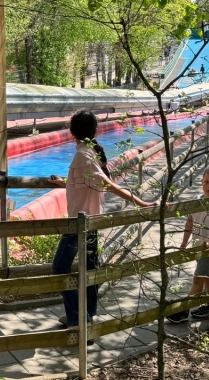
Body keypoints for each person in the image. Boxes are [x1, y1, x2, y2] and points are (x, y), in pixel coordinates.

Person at [49, 110, 157, 329]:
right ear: (94, 130)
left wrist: (141, 203)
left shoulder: (83, 155)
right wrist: (65, 182)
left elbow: (108, 185)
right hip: (91, 221)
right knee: (89, 268)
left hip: (78, 224)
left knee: (59, 268)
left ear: (72, 132)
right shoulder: (88, 152)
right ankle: (83, 314)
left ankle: (79, 319)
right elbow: (87, 182)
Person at [168, 164, 209, 323]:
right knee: (208, 278)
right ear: (202, 181)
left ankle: (182, 311)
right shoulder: (196, 200)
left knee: (198, 279)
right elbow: (190, 222)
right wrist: (184, 241)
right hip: (197, 247)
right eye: (207, 182)